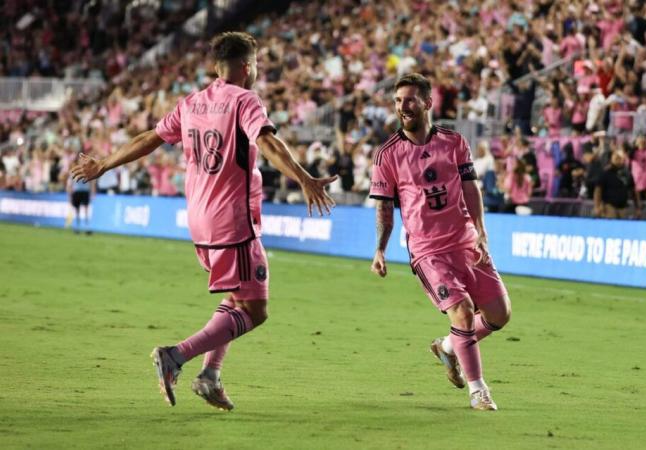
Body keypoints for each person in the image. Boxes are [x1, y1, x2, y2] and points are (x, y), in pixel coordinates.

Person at [71, 32, 337, 411]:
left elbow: (150, 138)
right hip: (232, 221)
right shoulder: (245, 99)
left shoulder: (193, 102)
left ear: (216, 67)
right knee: (256, 310)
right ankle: (176, 355)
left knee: (235, 298)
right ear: (248, 67)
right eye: (257, 65)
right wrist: (305, 179)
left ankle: (210, 376)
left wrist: (103, 164)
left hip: (198, 220)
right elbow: (270, 143)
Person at [368, 73, 511, 411]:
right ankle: (478, 390)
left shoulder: (454, 142)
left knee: (499, 315)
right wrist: (380, 248)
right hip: (428, 249)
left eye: (410, 100)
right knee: (461, 312)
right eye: (398, 101)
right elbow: (385, 206)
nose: (403, 107)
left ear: (428, 103)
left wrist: (480, 230)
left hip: (465, 241)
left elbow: (470, 187)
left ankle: (448, 347)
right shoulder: (388, 154)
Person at [594, 149, 640, 219]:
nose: (618, 160)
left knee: (622, 228)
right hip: (609, 207)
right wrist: (597, 206)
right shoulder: (606, 173)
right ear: (612, 159)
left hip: (623, 207)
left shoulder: (627, 174)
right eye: (616, 158)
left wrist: (637, 208)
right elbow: (598, 190)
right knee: (610, 227)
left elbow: (633, 191)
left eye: (620, 158)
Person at [66, 160, 96, 234]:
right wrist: (70, 195)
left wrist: (92, 192)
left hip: (85, 191)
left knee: (85, 209)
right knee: (77, 210)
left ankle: (87, 227)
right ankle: (78, 227)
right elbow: (70, 185)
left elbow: (91, 182)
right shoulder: (73, 172)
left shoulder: (87, 171)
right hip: (77, 192)